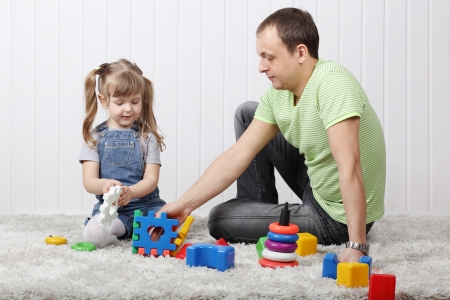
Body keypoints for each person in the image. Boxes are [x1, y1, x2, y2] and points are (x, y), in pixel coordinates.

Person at [157, 7, 386, 262]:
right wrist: (185, 204)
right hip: (317, 182)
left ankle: (250, 217)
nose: (261, 67)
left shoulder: (333, 85)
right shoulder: (279, 94)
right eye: (260, 57)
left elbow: (350, 166)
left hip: (336, 216)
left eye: (269, 57)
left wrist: (357, 244)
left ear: (300, 52)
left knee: (219, 218)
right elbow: (238, 155)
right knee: (248, 113)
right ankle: (256, 206)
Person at [80, 59, 166, 248]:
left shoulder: (147, 137)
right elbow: (89, 181)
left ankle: (141, 230)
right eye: (120, 102)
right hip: (112, 211)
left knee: (170, 225)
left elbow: (151, 180)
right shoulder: (95, 138)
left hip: (147, 208)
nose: (128, 108)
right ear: (103, 100)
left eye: (134, 101)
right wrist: (104, 185)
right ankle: (116, 234)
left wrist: (132, 192)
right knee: (93, 234)